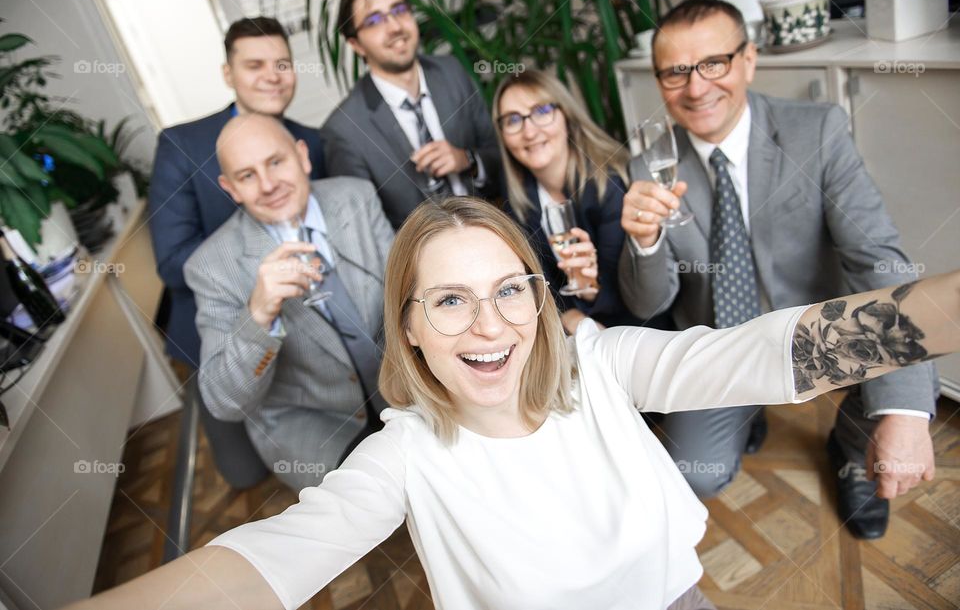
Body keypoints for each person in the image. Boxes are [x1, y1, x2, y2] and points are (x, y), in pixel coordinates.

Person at [63, 196, 960, 610]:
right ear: (410, 328)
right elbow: (260, 566)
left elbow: (763, 351)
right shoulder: (404, 455)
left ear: (538, 298)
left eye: (508, 290)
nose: (489, 323)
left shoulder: (598, 364)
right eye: (450, 299)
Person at [617, 0, 939, 539]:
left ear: (748, 60)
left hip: (818, 331)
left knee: (914, 349)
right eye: (676, 72)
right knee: (696, 474)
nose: (696, 88)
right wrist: (644, 243)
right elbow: (649, 303)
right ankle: (748, 410)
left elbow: (878, 259)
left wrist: (903, 414)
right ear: (659, 82)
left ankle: (849, 447)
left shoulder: (817, 131)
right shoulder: (648, 167)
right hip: (721, 344)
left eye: (713, 63)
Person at [148, 16, 326, 487]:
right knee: (245, 473)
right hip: (217, 332)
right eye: (255, 65)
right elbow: (171, 261)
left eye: (282, 64)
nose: (272, 76)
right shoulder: (182, 146)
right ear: (228, 74)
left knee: (313, 446)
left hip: (308, 329)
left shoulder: (313, 140)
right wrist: (262, 274)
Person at [183, 113, 393, 491]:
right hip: (319, 423)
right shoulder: (210, 266)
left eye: (276, 162)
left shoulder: (357, 196)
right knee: (379, 495)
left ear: (303, 157)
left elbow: (408, 295)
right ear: (230, 188)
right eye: (247, 176)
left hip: (400, 389)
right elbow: (225, 402)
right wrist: (259, 314)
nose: (268, 185)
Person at [494, 69, 672, 334]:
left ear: (566, 115)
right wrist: (568, 316)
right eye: (513, 120)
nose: (529, 131)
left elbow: (639, 298)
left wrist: (590, 291)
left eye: (541, 111)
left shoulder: (611, 185)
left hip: (642, 334)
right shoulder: (516, 203)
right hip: (577, 340)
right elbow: (536, 289)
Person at [321, 0, 501, 229]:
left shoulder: (452, 72)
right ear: (355, 44)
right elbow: (366, 230)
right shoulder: (344, 130)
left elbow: (499, 154)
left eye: (399, 10)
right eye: (374, 20)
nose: (395, 27)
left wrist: (468, 160)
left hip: (490, 228)